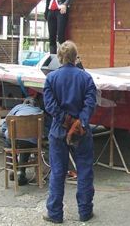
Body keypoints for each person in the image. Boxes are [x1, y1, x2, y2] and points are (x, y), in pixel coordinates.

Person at [43, 41, 96, 223]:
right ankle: (85, 212)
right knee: (85, 171)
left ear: (59, 57)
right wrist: (78, 123)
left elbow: (50, 106)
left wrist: (67, 122)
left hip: (58, 131)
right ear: (75, 57)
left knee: (58, 172)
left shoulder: (51, 78)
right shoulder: (86, 78)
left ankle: (55, 214)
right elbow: (90, 104)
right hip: (81, 131)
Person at [1, 97, 44, 186]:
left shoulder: (18, 107)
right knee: (27, 144)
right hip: (30, 142)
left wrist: (5, 133)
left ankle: (13, 168)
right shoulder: (40, 111)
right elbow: (45, 128)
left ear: (24, 103)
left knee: (8, 144)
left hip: (14, 139)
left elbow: (6, 121)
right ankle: (21, 172)